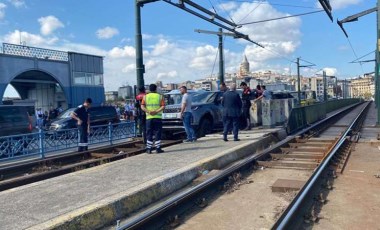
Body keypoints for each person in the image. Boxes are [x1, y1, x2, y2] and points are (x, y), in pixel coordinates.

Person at [141, 84, 165, 154]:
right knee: (157, 132)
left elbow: (142, 106)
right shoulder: (160, 96)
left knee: (149, 133)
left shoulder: (145, 97)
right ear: (156, 89)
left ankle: (149, 149)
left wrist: (149, 111)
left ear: (149, 89)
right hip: (157, 117)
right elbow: (163, 106)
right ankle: (158, 148)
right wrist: (156, 111)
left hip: (149, 118)